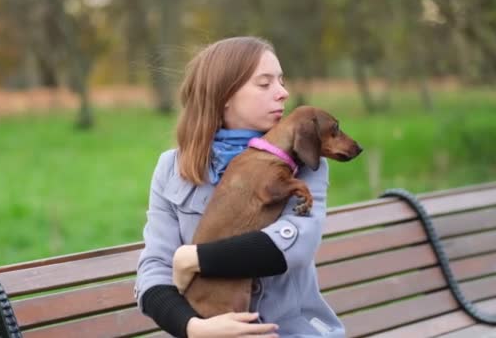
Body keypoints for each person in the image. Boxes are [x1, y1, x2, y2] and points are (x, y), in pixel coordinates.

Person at [135, 36, 345, 338]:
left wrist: (191, 258)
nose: (283, 93)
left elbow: (293, 247)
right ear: (224, 96)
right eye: (264, 84)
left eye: (281, 81)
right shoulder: (172, 168)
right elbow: (155, 269)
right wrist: (195, 328)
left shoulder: (303, 161)